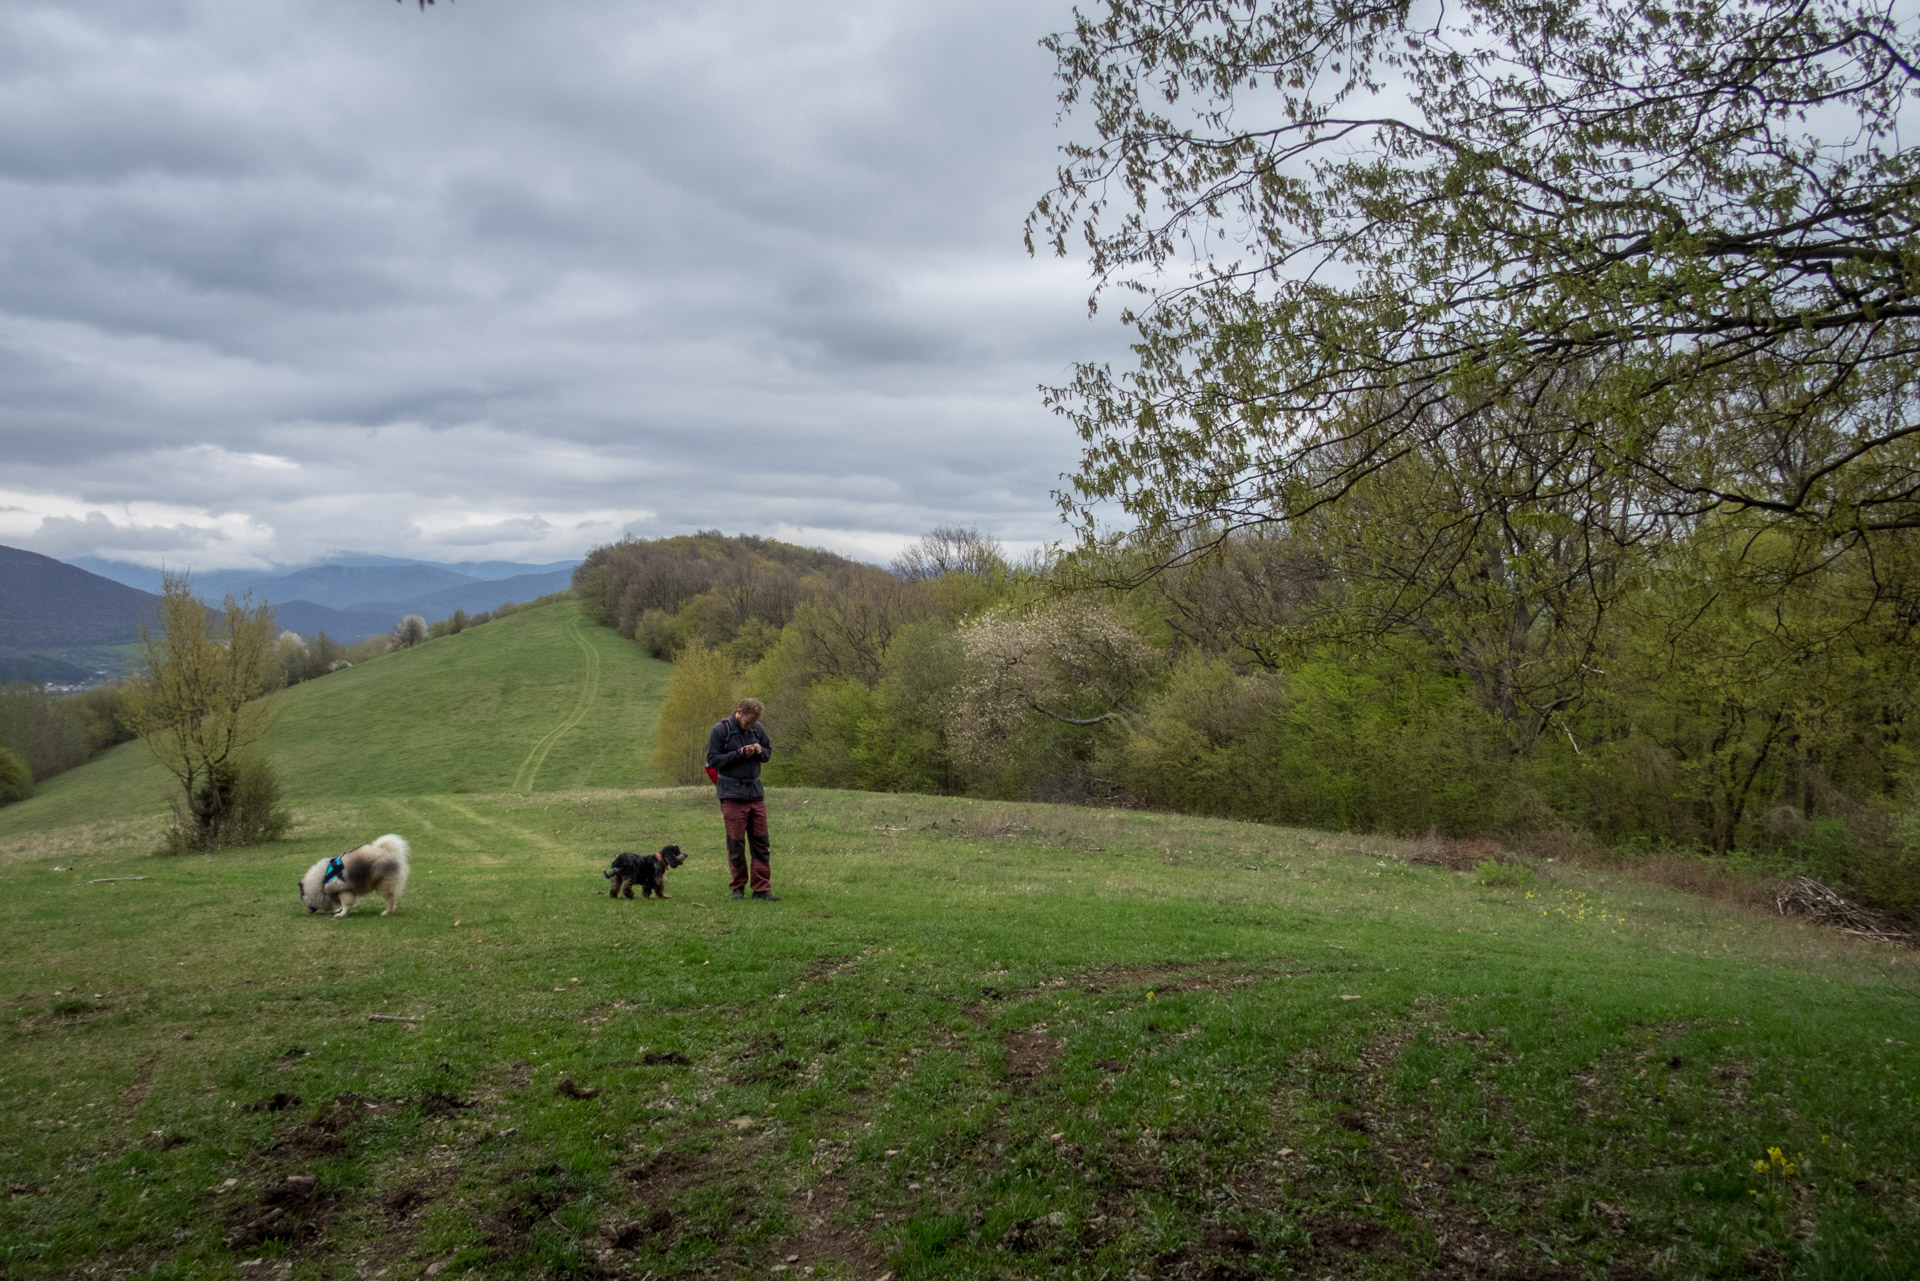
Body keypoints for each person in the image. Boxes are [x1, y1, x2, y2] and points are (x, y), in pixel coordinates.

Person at [706, 697, 778, 901]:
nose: (751, 725)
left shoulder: (757, 730)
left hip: (755, 793)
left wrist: (759, 751)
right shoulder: (721, 730)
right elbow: (713, 760)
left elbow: (768, 754)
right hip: (731, 794)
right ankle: (738, 888)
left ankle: (762, 889)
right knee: (736, 843)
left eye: (755, 721)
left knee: (761, 843)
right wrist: (739, 753)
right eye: (748, 721)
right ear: (739, 712)